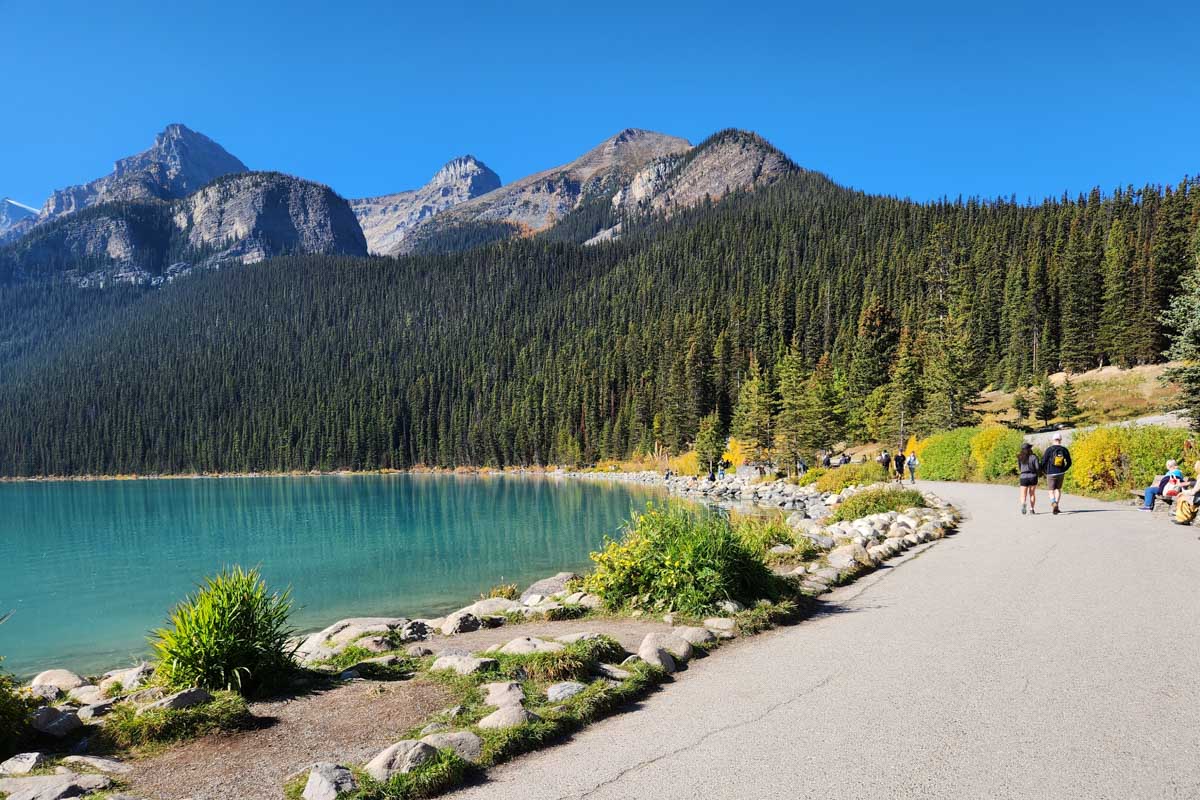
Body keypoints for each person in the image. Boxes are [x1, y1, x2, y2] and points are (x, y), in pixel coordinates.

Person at [1041, 433, 1072, 514]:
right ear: (1060, 440)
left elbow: (1043, 462)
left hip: (1050, 473)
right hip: (1060, 473)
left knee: (1051, 490)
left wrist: (1045, 471)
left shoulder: (1049, 450)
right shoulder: (1064, 449)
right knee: (1058, 489)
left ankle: (1053, 502)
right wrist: (1064, 469)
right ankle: (1057, 506)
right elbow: (1069, 462)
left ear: (1053, 440)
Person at [1018, 442, 1040, 515]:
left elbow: (1020, 468)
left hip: (1023, 476)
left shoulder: (1020, 457)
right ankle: (1032, 509)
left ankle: (1023, 504)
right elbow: (1037, 468)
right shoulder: (1034, 457)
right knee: (1032, 494)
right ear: (1030, 449)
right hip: (1033, 476)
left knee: (1023, 495)